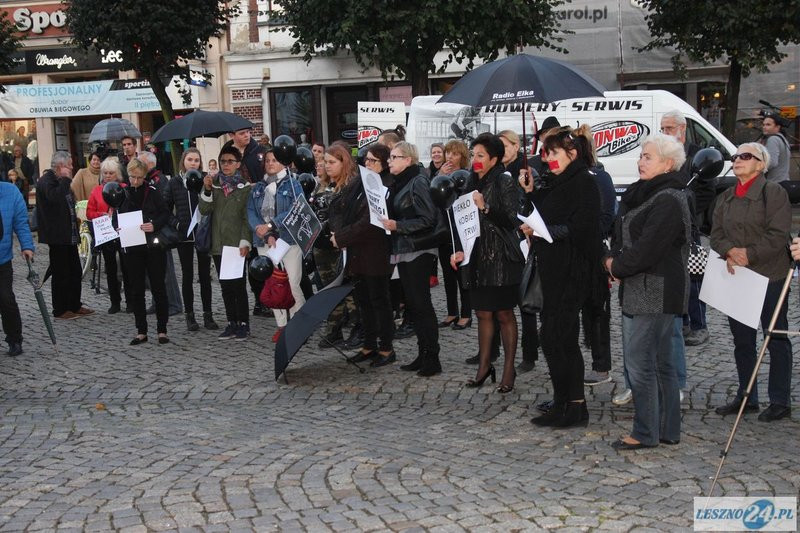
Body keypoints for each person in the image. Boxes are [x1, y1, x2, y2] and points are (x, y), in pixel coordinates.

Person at [603, 133, 690, 449]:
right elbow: (622, 233)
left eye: (648, 156)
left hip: (655, 290)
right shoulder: (645, 193)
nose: (641, 160)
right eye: (641, 155)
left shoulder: (668, 198)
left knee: (641, 364)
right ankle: (666, 430)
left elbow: (646, 250)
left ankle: (644, 432)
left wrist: (614, 266)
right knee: (662, 363)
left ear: (668, 164)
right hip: (643, 288)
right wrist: (614, 257)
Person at [525, 126, 602, 429]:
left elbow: (583, 227)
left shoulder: (584, 182)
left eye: (554, 152)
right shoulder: (555, 183)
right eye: (545, 152)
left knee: (558, 337)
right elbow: (542, 214)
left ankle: (574, 406)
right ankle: (565, 403)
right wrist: (530, 192)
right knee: (555, 338)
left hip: (575, 271)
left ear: (572, 153)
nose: (548, 158)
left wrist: (545, 232)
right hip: (554, 270)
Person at [711, 142, 792, 422]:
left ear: (761, 164)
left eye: (746, 156)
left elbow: (778, 234)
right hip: (738, 279)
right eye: (735, 156)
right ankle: (747, 396)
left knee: (776, 338)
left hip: (771, 276)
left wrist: (749, 254)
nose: (738, 160)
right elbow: (716, 233)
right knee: (742, 341)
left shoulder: (774, 192)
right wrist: (729, 251)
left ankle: (780, 400)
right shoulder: (726, 196)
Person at [451, 133, 524, 392]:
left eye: (480, 155)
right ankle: (484, 366)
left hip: (502, 258)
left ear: (494, 158)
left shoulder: (504, 181)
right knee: (482, 313)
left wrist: (485, 208)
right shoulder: (471, 182)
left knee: (504, 313)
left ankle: (508, 370)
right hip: (477, 257)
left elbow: (512, 219)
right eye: (473, 155)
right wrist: (457, 250)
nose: (475, 160)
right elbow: (461, 224)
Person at [328, 144, 396, 367]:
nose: (368, 164)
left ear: (384, 163)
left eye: (374, 161)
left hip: (376, 253)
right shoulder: (361, 183)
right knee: (363, 302)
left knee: (380, 302)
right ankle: (369, 346)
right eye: (366, 160)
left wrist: (342, 237)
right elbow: (343, 207)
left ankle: (386, 348)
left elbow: (370, 222)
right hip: (357, 253)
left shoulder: (385, 185)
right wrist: (339, 232)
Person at [382, 141, 441, 376]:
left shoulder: (418, 181)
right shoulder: (400, 182)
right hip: (404, 249)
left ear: (408, 160)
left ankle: (432, 358)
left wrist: (398, 225)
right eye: (390, 157)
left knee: (422, 304)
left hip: (419, 249)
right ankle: (422, 353)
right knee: (414, 306)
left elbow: (428, 219)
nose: (390, 161)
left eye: (395, 157)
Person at [661, 110, 711, 348]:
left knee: (694, 278)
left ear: (682, 128)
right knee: (674, 277)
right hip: (667, 227)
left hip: (689, 227)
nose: (665, 133)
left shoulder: (696, 156)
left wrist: (686, 210)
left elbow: (706, 192)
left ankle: (700, 325)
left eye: (669, 128)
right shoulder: (663, 156)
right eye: (662, 129)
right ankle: (681, 321)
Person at [246, 148, 305, 341]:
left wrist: (272, 226)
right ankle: (282, 325)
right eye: (268, 160)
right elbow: (251, 211)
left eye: (275, 160)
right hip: (265, 241)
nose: (270, 163)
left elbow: (294, 209)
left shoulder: (293, 184)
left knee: (293, 282)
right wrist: (260, 230)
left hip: (288, 240)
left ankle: (299, 323)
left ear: (284, 162)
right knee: (273, 283)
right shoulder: (258, 188)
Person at [200, 146, 253, 341]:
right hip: (218, 244)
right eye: (223, 161)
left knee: (238, 285)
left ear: (238, 164)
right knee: (225, 286)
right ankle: (231, 322)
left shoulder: (245, 188)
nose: (226, 165)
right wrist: (206, 190)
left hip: (236, 244)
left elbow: (248, 218)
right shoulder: (214, 185)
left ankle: (244, 324)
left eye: (230, 161)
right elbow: (204, 210)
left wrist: (245, 241)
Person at [498, 129, 540, 374]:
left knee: (525, 299)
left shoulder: (525, 171)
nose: (502, 150)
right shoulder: (497, 173)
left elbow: (533, 202)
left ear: (516, 146)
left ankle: (530, 353)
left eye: (505, 145)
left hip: (522, 239)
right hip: (503, 240)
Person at [164, 148, 218, 331]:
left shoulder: (205, 179)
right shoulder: (174, 183)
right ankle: (190, 316)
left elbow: (213, 203)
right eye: (190, 159)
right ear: (183, 161)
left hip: (203, 233)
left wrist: (208, 188)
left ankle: (208, 315)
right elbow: (165, 209)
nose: (193, 163)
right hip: (184, 235)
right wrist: (177, 225)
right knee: (187, 276)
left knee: (205, 276)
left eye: (196, 160)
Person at [36, 151, 94, 320]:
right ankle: (60, 309)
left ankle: (74, 305)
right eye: (69, 165)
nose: (71, 167)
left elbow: (68, 200)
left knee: (75, 271)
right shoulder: (47, 181)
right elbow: (54, 198)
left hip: (69, 234)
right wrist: (66, 180)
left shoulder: (61, 181)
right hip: (57, 236)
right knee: (61, 274)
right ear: (61, 166)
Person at [119, 158, 170, 344]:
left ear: (144, 176)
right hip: (132, 247)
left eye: (139, 178)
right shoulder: (122, 193)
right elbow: (116, 216)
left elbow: (165, 213)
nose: (135, 181)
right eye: (132, 177)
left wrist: (154, 224)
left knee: (158, 287)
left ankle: (162, 329)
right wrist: (117, 226)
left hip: (153, 246)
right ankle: (141, 330)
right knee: (136, 289)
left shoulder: (153, 192)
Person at [314, 146, 359, 348]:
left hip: (341, 245)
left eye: (332, 162)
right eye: (325, 161)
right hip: (321, 245)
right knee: (327, 289)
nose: (327, 165)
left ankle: (359, 328)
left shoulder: (350, 187)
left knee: (347, 289)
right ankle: (334, 329)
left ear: (344, 163)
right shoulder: (321, 185)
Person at [138, 151, 183, 316]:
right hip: (149, 229)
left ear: (150, 164)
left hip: (160, 230)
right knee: (153, 270)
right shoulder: (147, 180)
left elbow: (163, 206)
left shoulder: (160, 180)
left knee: (167, 271)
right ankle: (157, 302)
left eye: (141, 163)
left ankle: (174, 303)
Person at [86, 157, 130, 314]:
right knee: (110, 269)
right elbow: (89, 212)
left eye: (111, 173)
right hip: (106, 233)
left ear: (117, 174)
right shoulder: (97, 190)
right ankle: (115, 301)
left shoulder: (125, 188)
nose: (108, 176)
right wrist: (101, 215)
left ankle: (130, 301)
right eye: (105, 173)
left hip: (123, 231)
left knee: (127, 267)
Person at [438, 139, 472, 330]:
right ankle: (452, 312)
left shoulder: (466, 176)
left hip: (461, 231)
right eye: (448, 153)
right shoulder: (439, 175)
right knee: (448, 276)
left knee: (462, 274)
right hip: (444, 230)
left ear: (462, 156)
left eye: (455, 153)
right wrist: (440, 175)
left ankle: (466, 314)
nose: (450, 157)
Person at [0, 178, 35, 356]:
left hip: (2, 259)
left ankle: (14, 339)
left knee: (6, 299)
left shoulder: (10, 192)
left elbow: (21, 222)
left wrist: (27, 246)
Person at [759, 113, 790, 183]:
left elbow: (772, 162)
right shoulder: (782, 138)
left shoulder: (773, 139)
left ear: (777, 127)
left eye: (768, 125)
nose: (764, 127)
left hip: (774, 183)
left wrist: (756, 167)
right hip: (783, 180)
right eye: (763, 124)